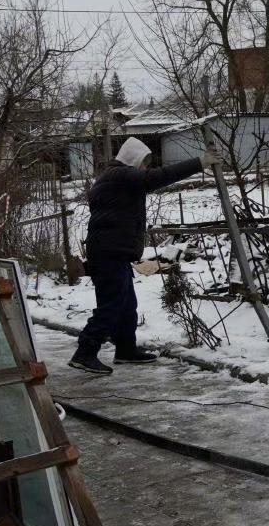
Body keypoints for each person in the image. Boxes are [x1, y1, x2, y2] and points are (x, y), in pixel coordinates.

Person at [69, 136, 220, 374]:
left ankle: (126, 350)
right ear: (134, 159)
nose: (146, 167)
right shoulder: (119, 175)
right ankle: (85, 352)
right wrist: (200, 162)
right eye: (144, 162)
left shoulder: (115, 179)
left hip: (112, 253)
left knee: (127, 305)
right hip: (109, 254)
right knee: (112, 304)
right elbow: (156, 178)